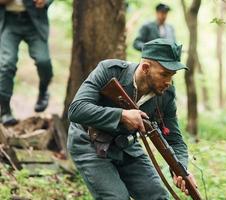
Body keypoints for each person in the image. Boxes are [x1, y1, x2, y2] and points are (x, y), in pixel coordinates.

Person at [67, 38, 197, 200]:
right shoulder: (109, 71)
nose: (168, 82)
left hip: (126, 145)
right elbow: (76, 110)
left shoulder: (165, 96)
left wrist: (180, 170)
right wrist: (121, 116)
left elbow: (175, 139)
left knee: (158, 196)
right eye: (164, 74)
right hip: (89, 142)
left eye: (172, 75)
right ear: (145, 68)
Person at [0, 0, 54, 125]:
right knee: (6, 64)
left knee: (43, 61)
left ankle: (44, 91)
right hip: (8, 21)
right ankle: (5, 110)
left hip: (34, 21)